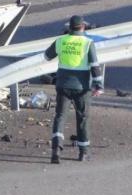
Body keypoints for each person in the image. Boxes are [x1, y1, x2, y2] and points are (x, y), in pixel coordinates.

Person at [44, 15, 103, 164]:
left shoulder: (60, 41)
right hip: (82, 87)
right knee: (82, 118)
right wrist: (98, 85)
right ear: (83, 27)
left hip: (63, 85)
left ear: (69, 27)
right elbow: (95, 66)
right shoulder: (88, 43)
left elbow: (46, 56)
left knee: (60, 116)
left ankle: (56, 150)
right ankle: (83, 153)